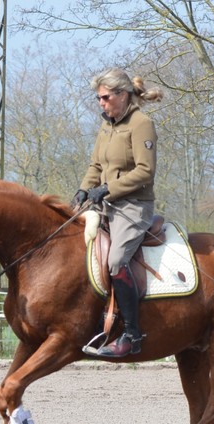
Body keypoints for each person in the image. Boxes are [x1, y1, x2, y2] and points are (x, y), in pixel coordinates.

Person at [71, 68, 163, 358]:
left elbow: (145, 172)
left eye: (105, 98)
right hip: (105, 203)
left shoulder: (141, 124)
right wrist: (84, 190)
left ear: (122, 95)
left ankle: (132, 334)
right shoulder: (107, 125)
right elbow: (96, 165)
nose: (101, 103)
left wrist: (108, 189)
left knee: (115, 260)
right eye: (98, 98)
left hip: (134, 207)